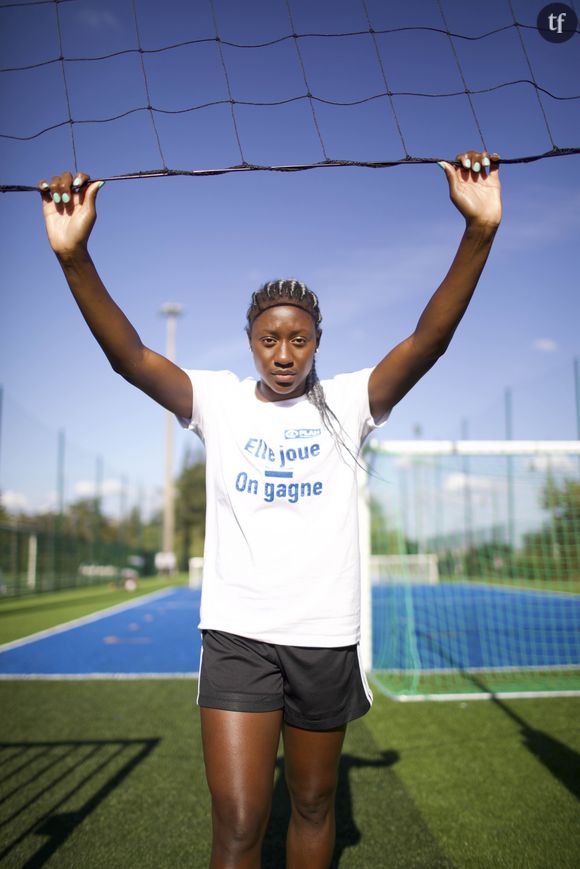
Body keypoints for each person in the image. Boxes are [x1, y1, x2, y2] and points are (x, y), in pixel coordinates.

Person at [39, 151, 502, 868]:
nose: (283, 352)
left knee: (314, 804)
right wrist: (76, 257)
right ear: (250, 340)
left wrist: (478, 232)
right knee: (240, 821)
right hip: (237, 637)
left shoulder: (350, 403)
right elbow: (129, 355)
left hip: (324, 636)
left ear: (317, 341)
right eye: (269, 338)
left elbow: (428, 340)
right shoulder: (218, 401)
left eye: (298, 338)